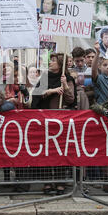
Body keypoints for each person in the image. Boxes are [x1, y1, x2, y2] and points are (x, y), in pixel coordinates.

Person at [31, 53, 76, 195]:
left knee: (60, 150)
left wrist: (64, 85)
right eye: (50, 60)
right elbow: (36, 95)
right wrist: (51, 91)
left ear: (60, 64)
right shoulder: (45, 77)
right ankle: (47, 181)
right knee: (46, 151)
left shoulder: (67, 79)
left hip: (60, 121)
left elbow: (71, 100)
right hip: (45, 119)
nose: (50, 62)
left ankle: (60, 181)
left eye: (53, 60)